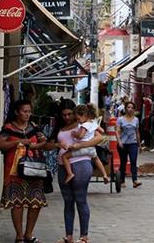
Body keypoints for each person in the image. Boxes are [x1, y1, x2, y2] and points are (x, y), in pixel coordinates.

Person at [0, 99, 61, 243]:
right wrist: (17, 143)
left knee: (36, 202)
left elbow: (45, 143)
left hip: (35, 170)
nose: (27, 114)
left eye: (29, 111)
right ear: (17, 112)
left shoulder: (34, 127)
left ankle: (29, 234)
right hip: (14, 171)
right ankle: (19, 235)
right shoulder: (9, 128)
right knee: (17, 203)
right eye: (24, 111)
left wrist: (43, 144)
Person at [50, 99, 104, 243]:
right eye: (64, 115)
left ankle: (84, 236)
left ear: (76, 113)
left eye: (69, 114)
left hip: (80, 163)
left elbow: (99, 137)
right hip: (63, 164)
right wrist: (56, 144)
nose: (67, 117)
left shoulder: (84, 124)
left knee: (80, 200)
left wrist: (80, 146)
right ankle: (68, 236)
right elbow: (50, 143)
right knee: (68, 201)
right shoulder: (60, 127)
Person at [61, 104, 109, 184]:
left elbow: (80, 136)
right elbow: (102, 131)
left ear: (84, 115)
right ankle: (104, 175)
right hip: (92, 149)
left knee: (64, 156)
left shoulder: (84, 125)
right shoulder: (93, 123)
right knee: (97, 159)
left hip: (82, 148)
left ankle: (70, 173)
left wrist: (74, 134)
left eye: (78, 119)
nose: (78, 121)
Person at [116, 102, 142, 188]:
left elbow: (137, 132)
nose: (130, 109)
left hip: (133, 143)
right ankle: (122, 180)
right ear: (125, 109)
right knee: (123, 162)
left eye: (132, 107)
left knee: (133, 161)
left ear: (134, 109)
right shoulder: (120, 119)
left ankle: (135, 180)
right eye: (128, 107)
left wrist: (139, 145)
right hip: (123, 144)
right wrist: (119, 141)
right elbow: (117, 131)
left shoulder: (136, 120)